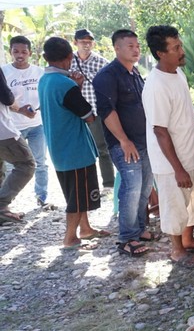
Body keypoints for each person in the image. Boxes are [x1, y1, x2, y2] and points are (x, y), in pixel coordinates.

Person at [142, 26, 194, 264]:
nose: (182, 51)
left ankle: (189, 240)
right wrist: (178, 169)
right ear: (160, 53)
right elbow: (160, 131)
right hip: (170, 162)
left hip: (189, 151)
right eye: (176, 48)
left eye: (180, 45)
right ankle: (177, 250)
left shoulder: (178, 74)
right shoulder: (156, 85)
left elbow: (187, 114)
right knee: (175, 205)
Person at [38, 37, 108, 249]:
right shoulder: (65, 84)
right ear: (70, 57)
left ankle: (85, 229)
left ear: (45, 58)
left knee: (79, 192)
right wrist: (77, 88)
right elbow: (88, 115)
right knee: (76, 197)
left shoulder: (44, 80)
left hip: (60, 147)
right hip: (74, 149)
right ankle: (70, 237)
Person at [92, 30, 157, 257]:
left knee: (145, 187)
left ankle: (138, 229)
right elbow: (107, 111)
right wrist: (123, 140)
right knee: (131, 188)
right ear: (117, 48)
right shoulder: (107, 76)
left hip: (144, 140)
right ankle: (126, 238)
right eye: (130, 45)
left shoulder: (135, 73)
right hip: (125, 143)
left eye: (137, 45)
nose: (136, 49)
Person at [1, 36, 50, 208]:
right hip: (12, 127)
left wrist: (38, 110)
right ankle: (7, 202)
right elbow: (5, 99)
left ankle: (42, 196)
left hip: (37, 124)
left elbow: (45, 94)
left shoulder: (39, 72)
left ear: (30, 53)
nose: (19, 55)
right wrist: (20, 110)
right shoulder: (4, 71)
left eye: (23, 52)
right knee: (13, 166)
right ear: (10, 52)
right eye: (15, 51)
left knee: (40, 162)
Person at [71, 29, 115, 188]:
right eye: (83, 41)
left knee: (103, 149)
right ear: (75, 42)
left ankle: (109, 184)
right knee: (80, 150)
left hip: (96, 113)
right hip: (75, 114)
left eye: (89, 41)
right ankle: (84, 184)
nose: (86, 44)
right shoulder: (69, 61)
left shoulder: (101, 62)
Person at [0, 55, 35, 224]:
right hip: (3, 131)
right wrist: (19, 109)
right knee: (26, 164)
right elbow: (6, 97)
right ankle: (1, 206)